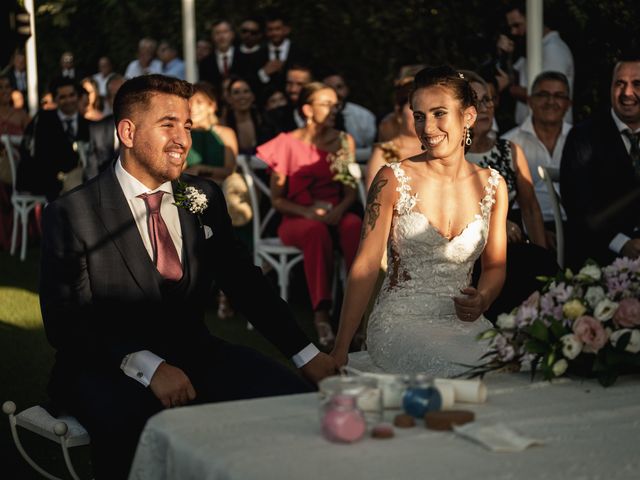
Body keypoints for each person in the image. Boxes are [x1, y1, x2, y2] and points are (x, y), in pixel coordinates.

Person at [39, 74, 336, 479]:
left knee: (295, 403)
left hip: (197, 354)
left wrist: (306, 354)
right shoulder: (73, 212)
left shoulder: (203, 197)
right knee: (139, 429)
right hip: (102, 366)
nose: (183, 139)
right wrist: (148, 367)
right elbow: (66, 321)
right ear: (127, 131)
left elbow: (245, 283)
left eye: (188, 126)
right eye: (168, 125)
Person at [331, 66, 508, 376]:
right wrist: (340, 348)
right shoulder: (392, 180)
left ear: (468, 116)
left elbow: (495, 266)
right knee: (456, 370)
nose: (428, 128)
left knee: (504, 366)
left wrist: (482, 299)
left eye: (439, 113)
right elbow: (366, 265)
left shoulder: (493, 185)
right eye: (419, 115)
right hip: (400, 322)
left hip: (463, 324)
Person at [256, 82, 362, 350]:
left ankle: (359, 311)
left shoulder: (342, 141)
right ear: (307, 109)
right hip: (297, 218)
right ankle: (322, 315)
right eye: (326, 103)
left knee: (354, 225)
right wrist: (308, 212)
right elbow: (277, 199)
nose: (334, 108)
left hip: (335, 212)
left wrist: (338, 211)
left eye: (335, 103)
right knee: (315, 232)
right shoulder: (286, 143)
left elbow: (350, 192)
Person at [464, 70, 557, 320]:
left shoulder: (509, 150)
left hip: (514, 242)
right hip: (468, 248)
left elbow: (530, 209)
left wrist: (542, 256)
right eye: (474, 101)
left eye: (488, 99)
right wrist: (493, 223)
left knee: (539, 264)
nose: (483, 108)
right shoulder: (451, 156)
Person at [561, 55, 640, 268]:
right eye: (620, 84)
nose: (627, 93)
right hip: (601, 255)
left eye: (637, 84)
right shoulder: (583, 136)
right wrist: (622, 244)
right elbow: (578, 204)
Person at [502, 71, 572, 246]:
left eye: (559, 96)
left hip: (575, 227)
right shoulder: (509, 143)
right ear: (530, 100)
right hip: (525, 229)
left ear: (568, 104)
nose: (550, 101)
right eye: (543, 95)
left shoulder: (580, 139)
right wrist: (537, 234)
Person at [497, 0, 574, 125]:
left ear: (533, 19)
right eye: (511, 27)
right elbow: (513, 78)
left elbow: (549, 94)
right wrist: (506, 55)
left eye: (517, 25)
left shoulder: (553, 50)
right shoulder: (533, 49)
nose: (513, 32)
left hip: (550, 134)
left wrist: (511, 89)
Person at [17, 77, 90, 201]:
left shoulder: (87, 124)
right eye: (63, 97)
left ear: (78, 96)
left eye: (72, 95)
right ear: (55, 99)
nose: (68, 100)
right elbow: (40, 154)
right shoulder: (43, 120)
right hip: (47, 179)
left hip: (82, 179)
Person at [365, 78, 422, 189]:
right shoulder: (385, 152)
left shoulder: (438, 148)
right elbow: (372, 199)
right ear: (399, 111)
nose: (420, 114)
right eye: (414, 107)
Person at [323, 72, 377, 163]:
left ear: (347, 89)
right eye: (329, 88)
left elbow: (373, 150)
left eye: (339, 87)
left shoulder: (364, 116)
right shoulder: (317, 116)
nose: (335, 92)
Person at [86, 74, 125, 180]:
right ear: (108, 100)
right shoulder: (97, 130)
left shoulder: (144, 128)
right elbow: (91, 173)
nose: (119, 100)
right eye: (114, 95)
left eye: (123, 94)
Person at [224, 76, 276, 154]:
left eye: (246, 91)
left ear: (253, 96)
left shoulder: (265, 121)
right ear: (229, 98)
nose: (242, 97)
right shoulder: (224, 125)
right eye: (236, 92)